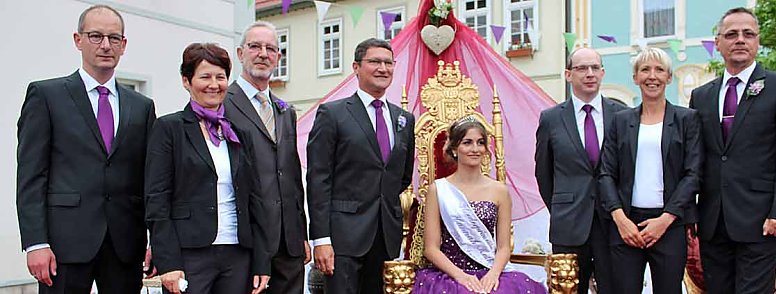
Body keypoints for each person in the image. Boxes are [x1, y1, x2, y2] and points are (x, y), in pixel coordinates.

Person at [16, 4, 157, 293]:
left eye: (114, 38)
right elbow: (31, 175)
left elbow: (150, 179)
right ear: (78, 40)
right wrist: (36, 243)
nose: (105, 45)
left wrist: (156, 240)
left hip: (125, 246)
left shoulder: (141, 107)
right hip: (63, 245)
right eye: (95, 36)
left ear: (123, 45)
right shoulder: (46, 96)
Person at [690, 7, 776, 293]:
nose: (740, 40)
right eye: (731, 34)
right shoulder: (702, 96)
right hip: (712, 224)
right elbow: (697, 159)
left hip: (761, 222)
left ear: (758, 42)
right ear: (718, 43)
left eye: (748, 34)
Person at [144, 43, 270, 294]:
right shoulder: (169, 128)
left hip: (238, 253)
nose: (214, 84)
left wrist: (262, 261)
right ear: (186, 81)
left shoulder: (238, 133)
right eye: (205, 76)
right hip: (190, 254)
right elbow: (156, 199)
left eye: (220, 77)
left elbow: (255, 200)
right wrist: (167, 261)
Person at [307, 38, 415, 293]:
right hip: (342, 239)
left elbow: (402, 176)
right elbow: (318, 179)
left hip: (385, 235)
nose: (383, 68)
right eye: (375, 61)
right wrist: (321, 239)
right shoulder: (332, 114)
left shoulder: (404, 119)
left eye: (388, 62)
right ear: (356, 67)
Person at [597, 48, 702, 293]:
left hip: (669, 224)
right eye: (645, 69)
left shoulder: (687, 119)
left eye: (659, 70)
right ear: (635, 77)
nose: (651, 76)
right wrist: (620, 219)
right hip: (626, 226)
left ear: (669, 77)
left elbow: (693, 174)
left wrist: (665, 220)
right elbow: (605, 174)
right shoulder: (620, 121)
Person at [413, 117, 546, 294]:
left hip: (491, 271)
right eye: (467, 143)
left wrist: (493, 274)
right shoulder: (438, 190)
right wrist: (461, 276)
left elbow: (504, 247)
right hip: (450, 275)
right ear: (454, 148)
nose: (475, 149)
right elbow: (431, 249)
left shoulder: (500, 191)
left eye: (480, 143)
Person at [224, 21, 310, 294]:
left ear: (278, 57)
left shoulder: (286, 111)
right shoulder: (222, 102)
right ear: (240, 53)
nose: (263, 53)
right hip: (246, 237)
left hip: (288, 240)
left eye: (270, 48)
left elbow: (292, 174)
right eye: (255, 46)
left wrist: (302, 233)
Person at [534, 47, 626, 293]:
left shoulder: (621, 115)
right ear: (568, 74)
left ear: (603, 72)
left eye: (595, 68)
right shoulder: (551, 118)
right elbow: (543, 173)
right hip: (569, 224)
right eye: (582, 68)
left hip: (613, 224)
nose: (589, 74)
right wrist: (561, 206)